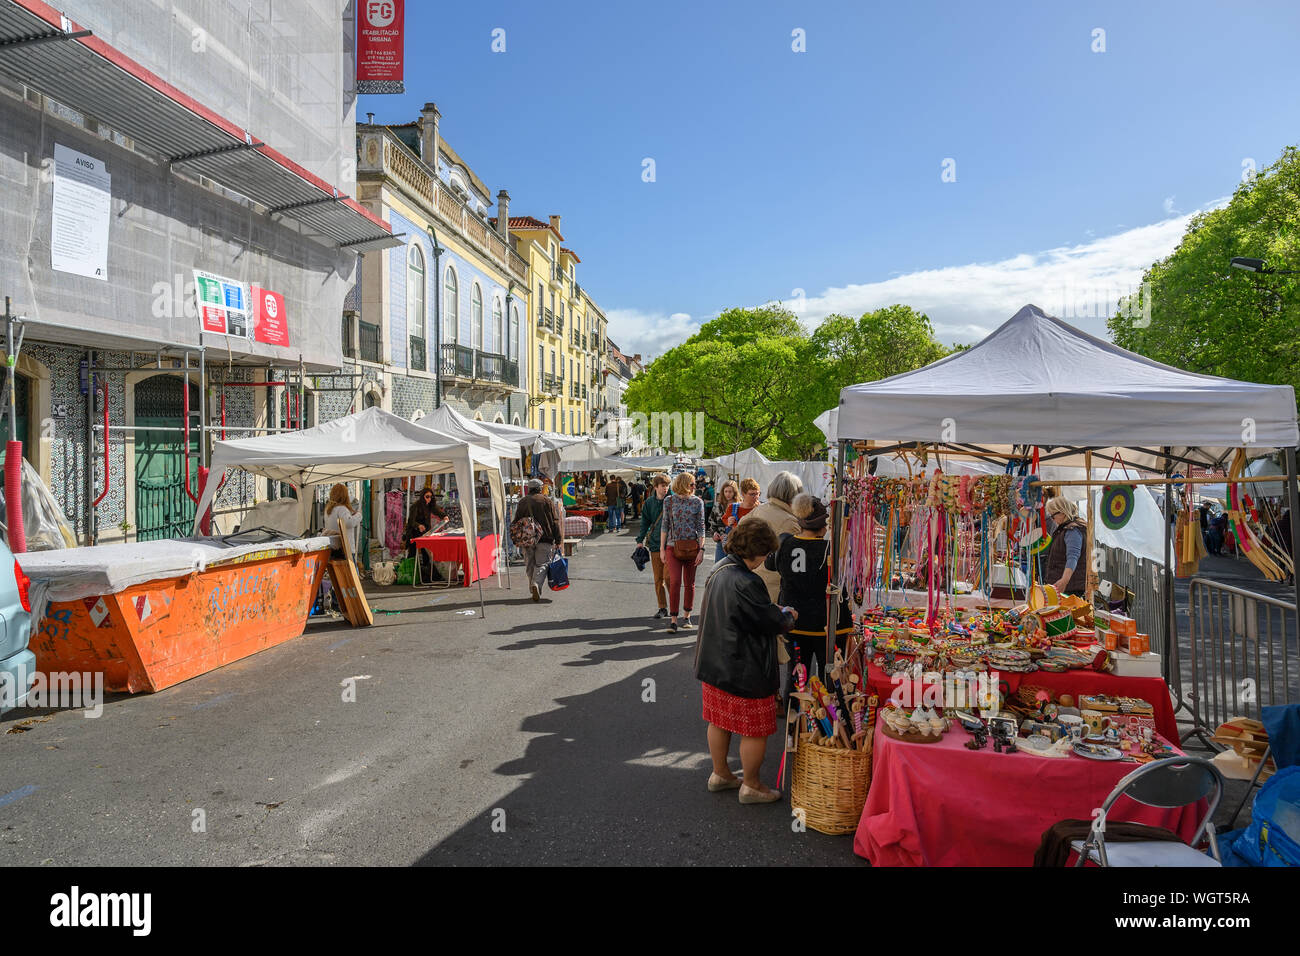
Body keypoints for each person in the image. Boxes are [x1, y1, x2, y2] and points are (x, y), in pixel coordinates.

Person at [694, 518, 796, 804]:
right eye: (765, 554)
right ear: (755, 550)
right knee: (754, 729)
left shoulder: (720, 567)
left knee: (719, 721)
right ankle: (750, 785)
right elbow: (770, 621)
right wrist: (787, 615)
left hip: (715, 663)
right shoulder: (748, 580)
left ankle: (721, 773)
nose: (765, 560)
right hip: (745, 668)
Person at [765, 494, 853, 695]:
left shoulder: (784, 543)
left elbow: (771, 565)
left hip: (794, 622)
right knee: (828, 678)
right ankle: (825, 724)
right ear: (824, 526)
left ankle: (792, 722)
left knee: (796, 677)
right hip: (827, 625)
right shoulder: (831, 549)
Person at [739, 471, 804, 603]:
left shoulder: (759, 509)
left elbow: (739, 530)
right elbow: (796, 563)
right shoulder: (789, 521)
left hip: (750, 583)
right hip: (773, 589)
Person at [660, 471, 706, 633]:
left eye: (694, 484)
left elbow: (701, 527)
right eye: (692, 484)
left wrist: (701, 549)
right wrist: (662, 549)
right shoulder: (669, 501)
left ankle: (686, 616)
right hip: (673, 546)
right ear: (683, 484)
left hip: (692, 547)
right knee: (674, 582)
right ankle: (673, 619)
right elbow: (665, 525)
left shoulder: (697, 502)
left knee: (689, 583)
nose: (695, 487)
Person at [514, 478, 563, 601]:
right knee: (542, 563)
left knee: (530, 564)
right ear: (540, 488)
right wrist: (558, 540)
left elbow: (516, 522)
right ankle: (536, 584)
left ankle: (533, 587)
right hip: (545, 538)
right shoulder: (546, 501)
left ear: (529, 489)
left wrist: (516, 539)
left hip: (527, 539)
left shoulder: (522, 502)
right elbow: (555, 522)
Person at [635, 473, 671, 618]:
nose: (666, 488)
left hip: (671, 544)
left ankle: (674, 604)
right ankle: (662, 607)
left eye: (667, 485)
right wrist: (640, 540)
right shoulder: (649, 503)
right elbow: (645, 523)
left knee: (668, 577)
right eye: (663, 486)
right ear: (655, 487)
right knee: (658, 579)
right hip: (655, 545)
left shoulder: (673, 500)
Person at [1044, 495, 1088, 596]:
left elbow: (1073, 557)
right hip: (1067, 585)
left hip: (1070, 588)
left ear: (1062, 512)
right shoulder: (1066, 528)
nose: (1052, 519)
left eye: (1053, 515)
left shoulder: (1072, 531)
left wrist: (1064, 580)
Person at [325, 482, 363, 556]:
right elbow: (349, 523)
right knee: (351, 567)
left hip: (333, 545)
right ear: (344, 495)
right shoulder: (342, 508)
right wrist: (359, 515)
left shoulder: (328, 509)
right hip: (345, 547)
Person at [710, 480, 740, 561]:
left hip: (735, 544)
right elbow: (712, 523)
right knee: (718, 568)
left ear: (734, 492)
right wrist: (715, 533)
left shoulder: (739, 506)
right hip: (721, 542)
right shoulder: (717, 506)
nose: (728, 494)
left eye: (730, 491)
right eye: (725, 491)